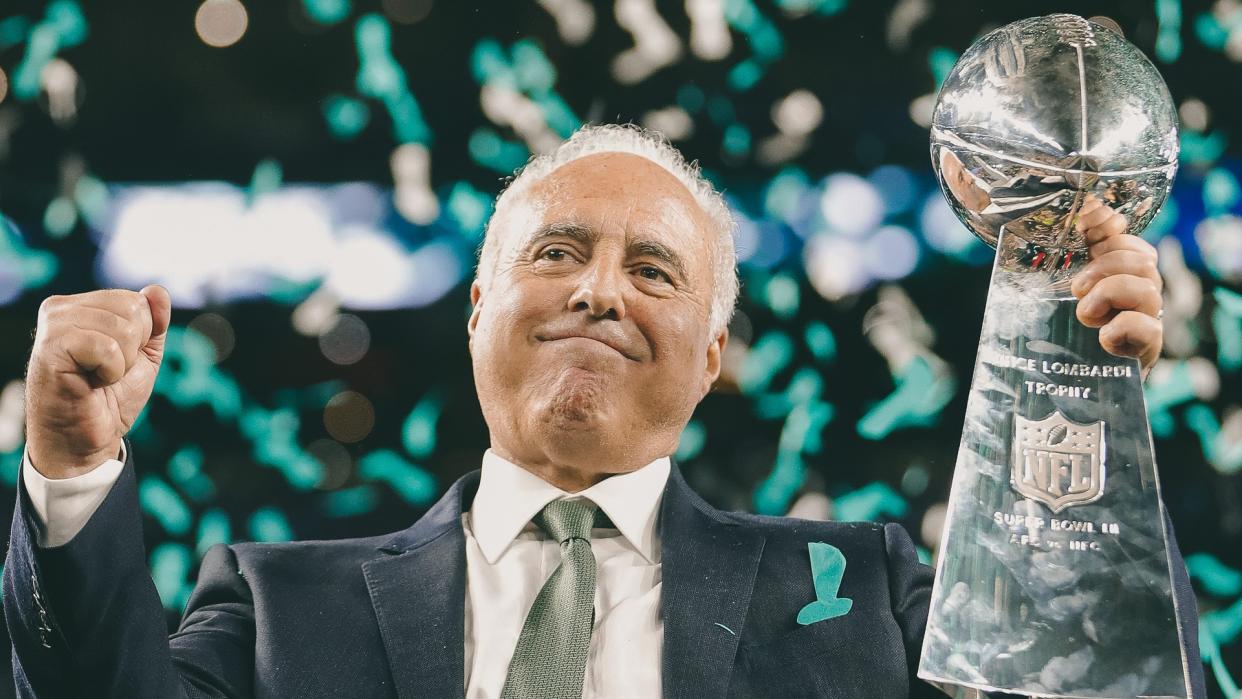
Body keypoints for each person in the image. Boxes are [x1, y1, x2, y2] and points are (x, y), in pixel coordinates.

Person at [5, 125, 1204, 698]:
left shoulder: (873, 595)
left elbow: (1096, 692)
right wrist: (68, 473)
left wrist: (1078, 412)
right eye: (559, 252)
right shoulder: (274, 607)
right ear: (477, 311)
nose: (596, 287)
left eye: (654, 270)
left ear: (709, 357)